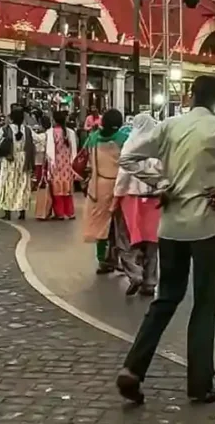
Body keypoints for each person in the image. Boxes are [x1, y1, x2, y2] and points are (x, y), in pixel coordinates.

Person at [115, 75, 215, 405]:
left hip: (170, 227)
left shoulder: (169, 126)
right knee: (205, 303)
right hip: (205, 226)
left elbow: (128, 158)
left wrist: (161, 183)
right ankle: (200, 383)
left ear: (192, 95)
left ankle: (133, 368)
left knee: (166, 298)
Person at [113, 113, 162, 296]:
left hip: (132, 198)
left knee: (125, 241)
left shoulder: (131, 143)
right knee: (151, 242)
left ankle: (135, 274)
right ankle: (150, 282)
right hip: (155, 199)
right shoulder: (159, 145)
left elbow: (124, 174)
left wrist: (116, 196)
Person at [83, 109, 130, 274]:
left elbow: (86, 160)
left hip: (98, 186)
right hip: (120, 186)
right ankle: (124, 261)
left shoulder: (93, 138)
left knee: (101, 225)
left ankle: (103, 260)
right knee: (121, 226)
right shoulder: (124, 139)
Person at [0, 105, 35, 221]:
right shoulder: (27, 130)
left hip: (10, 160)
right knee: (22, 185)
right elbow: (35, 143)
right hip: (23, 160)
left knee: (8, 184)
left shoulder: (5, 129)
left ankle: (7, 211)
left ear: (11, 118)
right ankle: (22, 211)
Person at [46, 110, 78, 220]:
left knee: (57, 190)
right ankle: (70, 212)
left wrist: (50, 166)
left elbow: (50, 151)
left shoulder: (50, 132)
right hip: (68, 165)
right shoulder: (71, 132)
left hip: (56, 164)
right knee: (67, 189)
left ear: (54, 120)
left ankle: (59, 213)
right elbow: (74, 150)